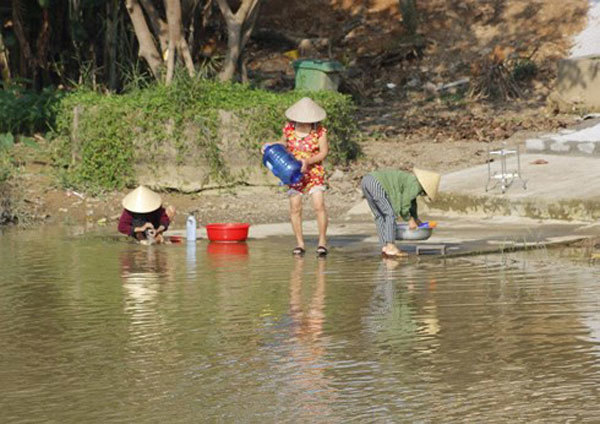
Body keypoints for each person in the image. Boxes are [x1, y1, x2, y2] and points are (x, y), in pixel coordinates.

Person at [262, 97, 329, 256]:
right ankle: (300, 243)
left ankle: (322, 242)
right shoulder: (289, 128)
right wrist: (271, 145)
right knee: (295, 207)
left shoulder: (320, 131)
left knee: (319, 205)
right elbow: (284, 143)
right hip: (293, 172)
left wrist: (308, 161)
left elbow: (324, 152)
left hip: (313, 171)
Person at [361, 168, 441, 257]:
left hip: (367, 180)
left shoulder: (412, 181)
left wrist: (416, 218)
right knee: (389, 214)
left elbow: (412, 203)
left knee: (379, 215)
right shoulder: (415, 186)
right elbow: (404, 205)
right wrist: (410, 220)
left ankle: (385, 247)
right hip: (376, 183)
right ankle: (391, 246)